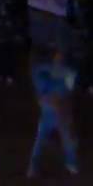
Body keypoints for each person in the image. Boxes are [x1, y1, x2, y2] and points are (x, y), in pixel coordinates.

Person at [27, 48, 79, 177]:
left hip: (60, 116)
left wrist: (56, 103)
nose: (58, 60)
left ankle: (70, 163)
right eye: (56, 57)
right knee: (39, 142)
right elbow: (40, 95)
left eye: (61, 58)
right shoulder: (43, 72)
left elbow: (65, 96)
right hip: (47, 116)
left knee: (67, 142)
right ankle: (33, 166)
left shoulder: (67, 75)